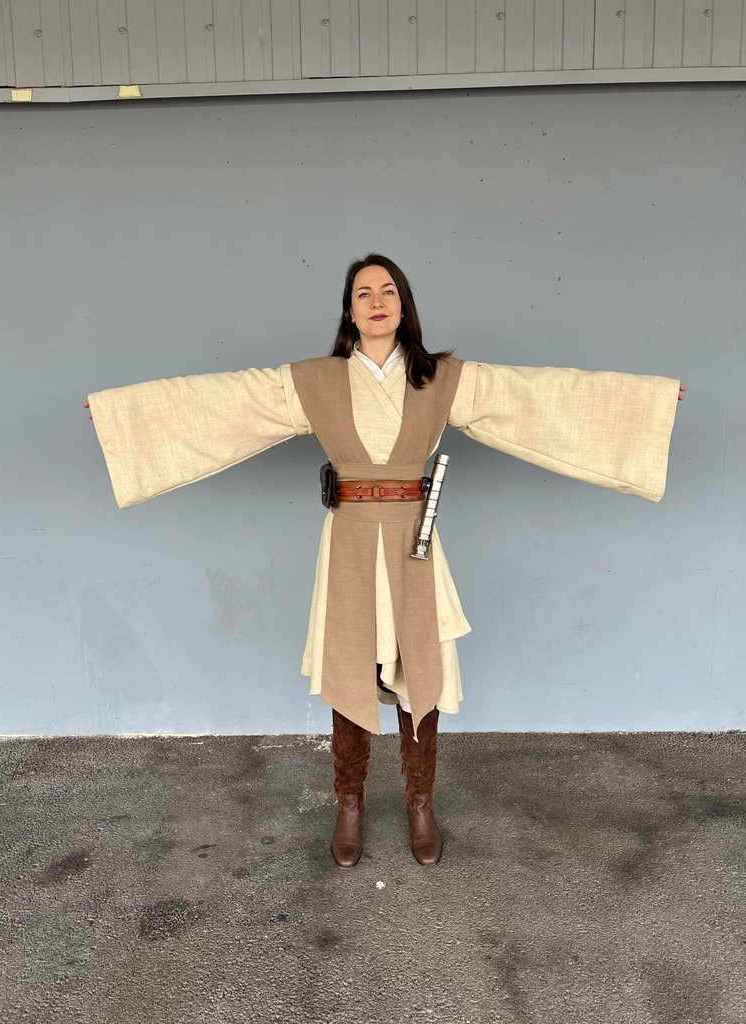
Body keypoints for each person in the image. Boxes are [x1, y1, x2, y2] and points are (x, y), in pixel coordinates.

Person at [84, 252, 686, 869]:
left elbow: (537, 398)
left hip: (411, 541)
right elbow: (223, 402)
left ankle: (420, 803)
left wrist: (649, 406)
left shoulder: (439, 378)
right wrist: (119, 416)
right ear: (349, 310)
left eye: (388, 290)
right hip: (349, 537)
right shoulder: (316, 382)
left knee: (419, 665)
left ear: (404, 305)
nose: (377, 301)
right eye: (364, 292)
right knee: (349, 665)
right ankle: (349, 804)